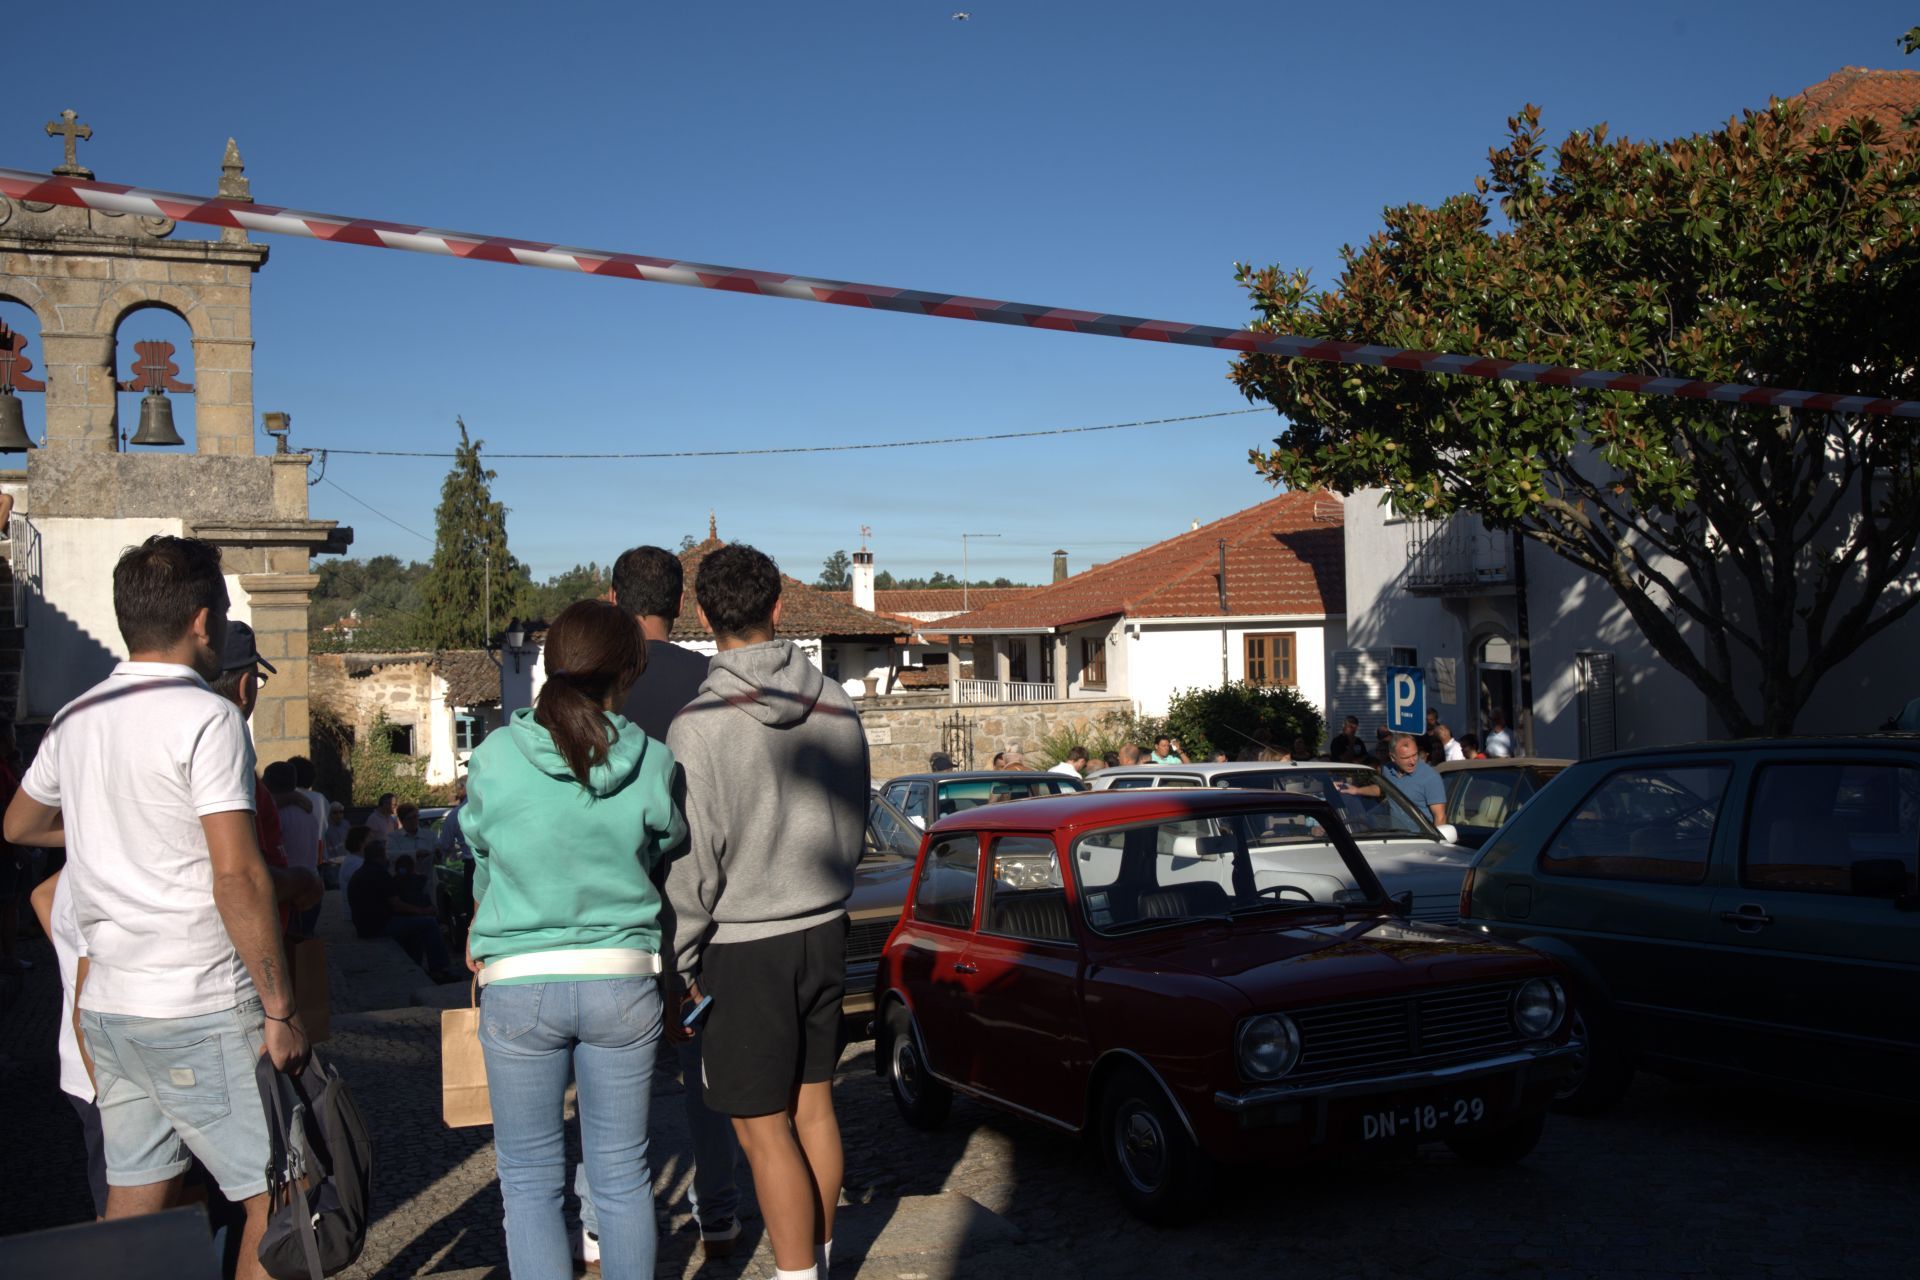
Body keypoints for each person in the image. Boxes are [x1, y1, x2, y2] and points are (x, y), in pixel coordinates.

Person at [2, 535, 306, 1280]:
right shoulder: (208, 719)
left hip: (110, 1007)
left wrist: (109, 824)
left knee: (136, 1205)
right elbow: (239, 877)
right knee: (285, 1199)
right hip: (198, 999)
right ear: (202, 622)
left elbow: (20, 825)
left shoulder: (76, 717)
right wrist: (280, 1007)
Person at [665, 544, 868, 1280]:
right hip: (824, 927)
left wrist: (680, 961)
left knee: (761, 1130)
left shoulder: (698, 725)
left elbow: (693, 863)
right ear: (779, 607)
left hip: (745, 943)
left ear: (701, 615)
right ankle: (818, 1260)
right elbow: (856, 814)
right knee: (814, 1109)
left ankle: (796, 1275)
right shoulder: (836, 701)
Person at [465, 599, 684, 1280]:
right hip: (622, 975)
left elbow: (482, 854)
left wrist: (483, 919)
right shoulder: (652, 760)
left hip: (518, 979)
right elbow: (666, 846)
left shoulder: (495, 756)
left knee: (528, 1181)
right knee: (621, 1175)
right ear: (629, 673)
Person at [604, 544, 740, 1262]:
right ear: (682, 604)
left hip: (616, 906)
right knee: (703, 1073)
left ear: (612, 599)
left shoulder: (595, 688)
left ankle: (600, 1223)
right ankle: (717, 1213)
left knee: (606, 1080)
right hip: (703, 902)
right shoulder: (711, 681)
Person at [30, 868, 107, 1219]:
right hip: (104, 1074)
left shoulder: (79, 863)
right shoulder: (98, 878)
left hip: (89, 1069)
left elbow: (41, 895)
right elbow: (84, 1017)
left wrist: (68, 959)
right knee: (124, 1213)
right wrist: (109, 1100)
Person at [346, 840, 454, 981]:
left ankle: (418, 967)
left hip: (365, 925)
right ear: (380, 856)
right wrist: (423, 911)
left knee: (416, 927)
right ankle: (440, 968)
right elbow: (397, 905)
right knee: (429, 923)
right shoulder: (379, 874)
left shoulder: (361, 872)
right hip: (378, 927)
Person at [1337, 733, 1447, 824]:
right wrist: (1357, 790)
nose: (1412, 761)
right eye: (1406, 757)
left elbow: (1440, 817)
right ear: (1393, 757)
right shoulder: (1386, 769)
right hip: (1395, 837)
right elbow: (1384, 789)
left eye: (1414, 755)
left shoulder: (1430, 777)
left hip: (1422, 840)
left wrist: (1437, 842)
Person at [266, 760, 323, 936]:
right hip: (311, 887)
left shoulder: (274, 814)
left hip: (288, 892)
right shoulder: (308, 812)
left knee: (285, 946)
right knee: (304, 945)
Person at [0, 715, 26, 973]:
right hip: (6, 849)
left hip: (9, 847)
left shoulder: (7, 766)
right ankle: (8, 958)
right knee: (8, 904)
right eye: (12, 735)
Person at [336, 824, 370, 893]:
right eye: (370, 837)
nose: (374, 840)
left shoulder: (355, 860)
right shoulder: (355, 864)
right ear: (361, 842)